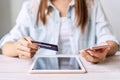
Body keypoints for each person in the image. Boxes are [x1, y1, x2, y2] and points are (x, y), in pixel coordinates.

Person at [0, 0, 119, 63]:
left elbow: (111, 41)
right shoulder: (31, 6)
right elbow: (6, 45)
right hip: (42, 74)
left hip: (85, 73)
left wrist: (104, 51)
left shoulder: (92, 4)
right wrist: (18, 47)